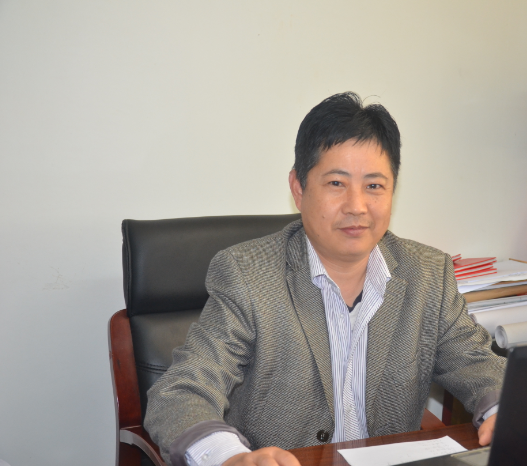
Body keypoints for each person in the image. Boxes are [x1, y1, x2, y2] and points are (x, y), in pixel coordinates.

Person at [144, 92, 506, 466]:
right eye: (336, 183)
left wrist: (502, 409)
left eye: (374, 186)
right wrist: (232, 458)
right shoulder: (248, 276)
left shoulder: (428, 274)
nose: (357, 206)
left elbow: (478, 363)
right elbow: (182, 392)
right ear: (298, 188)